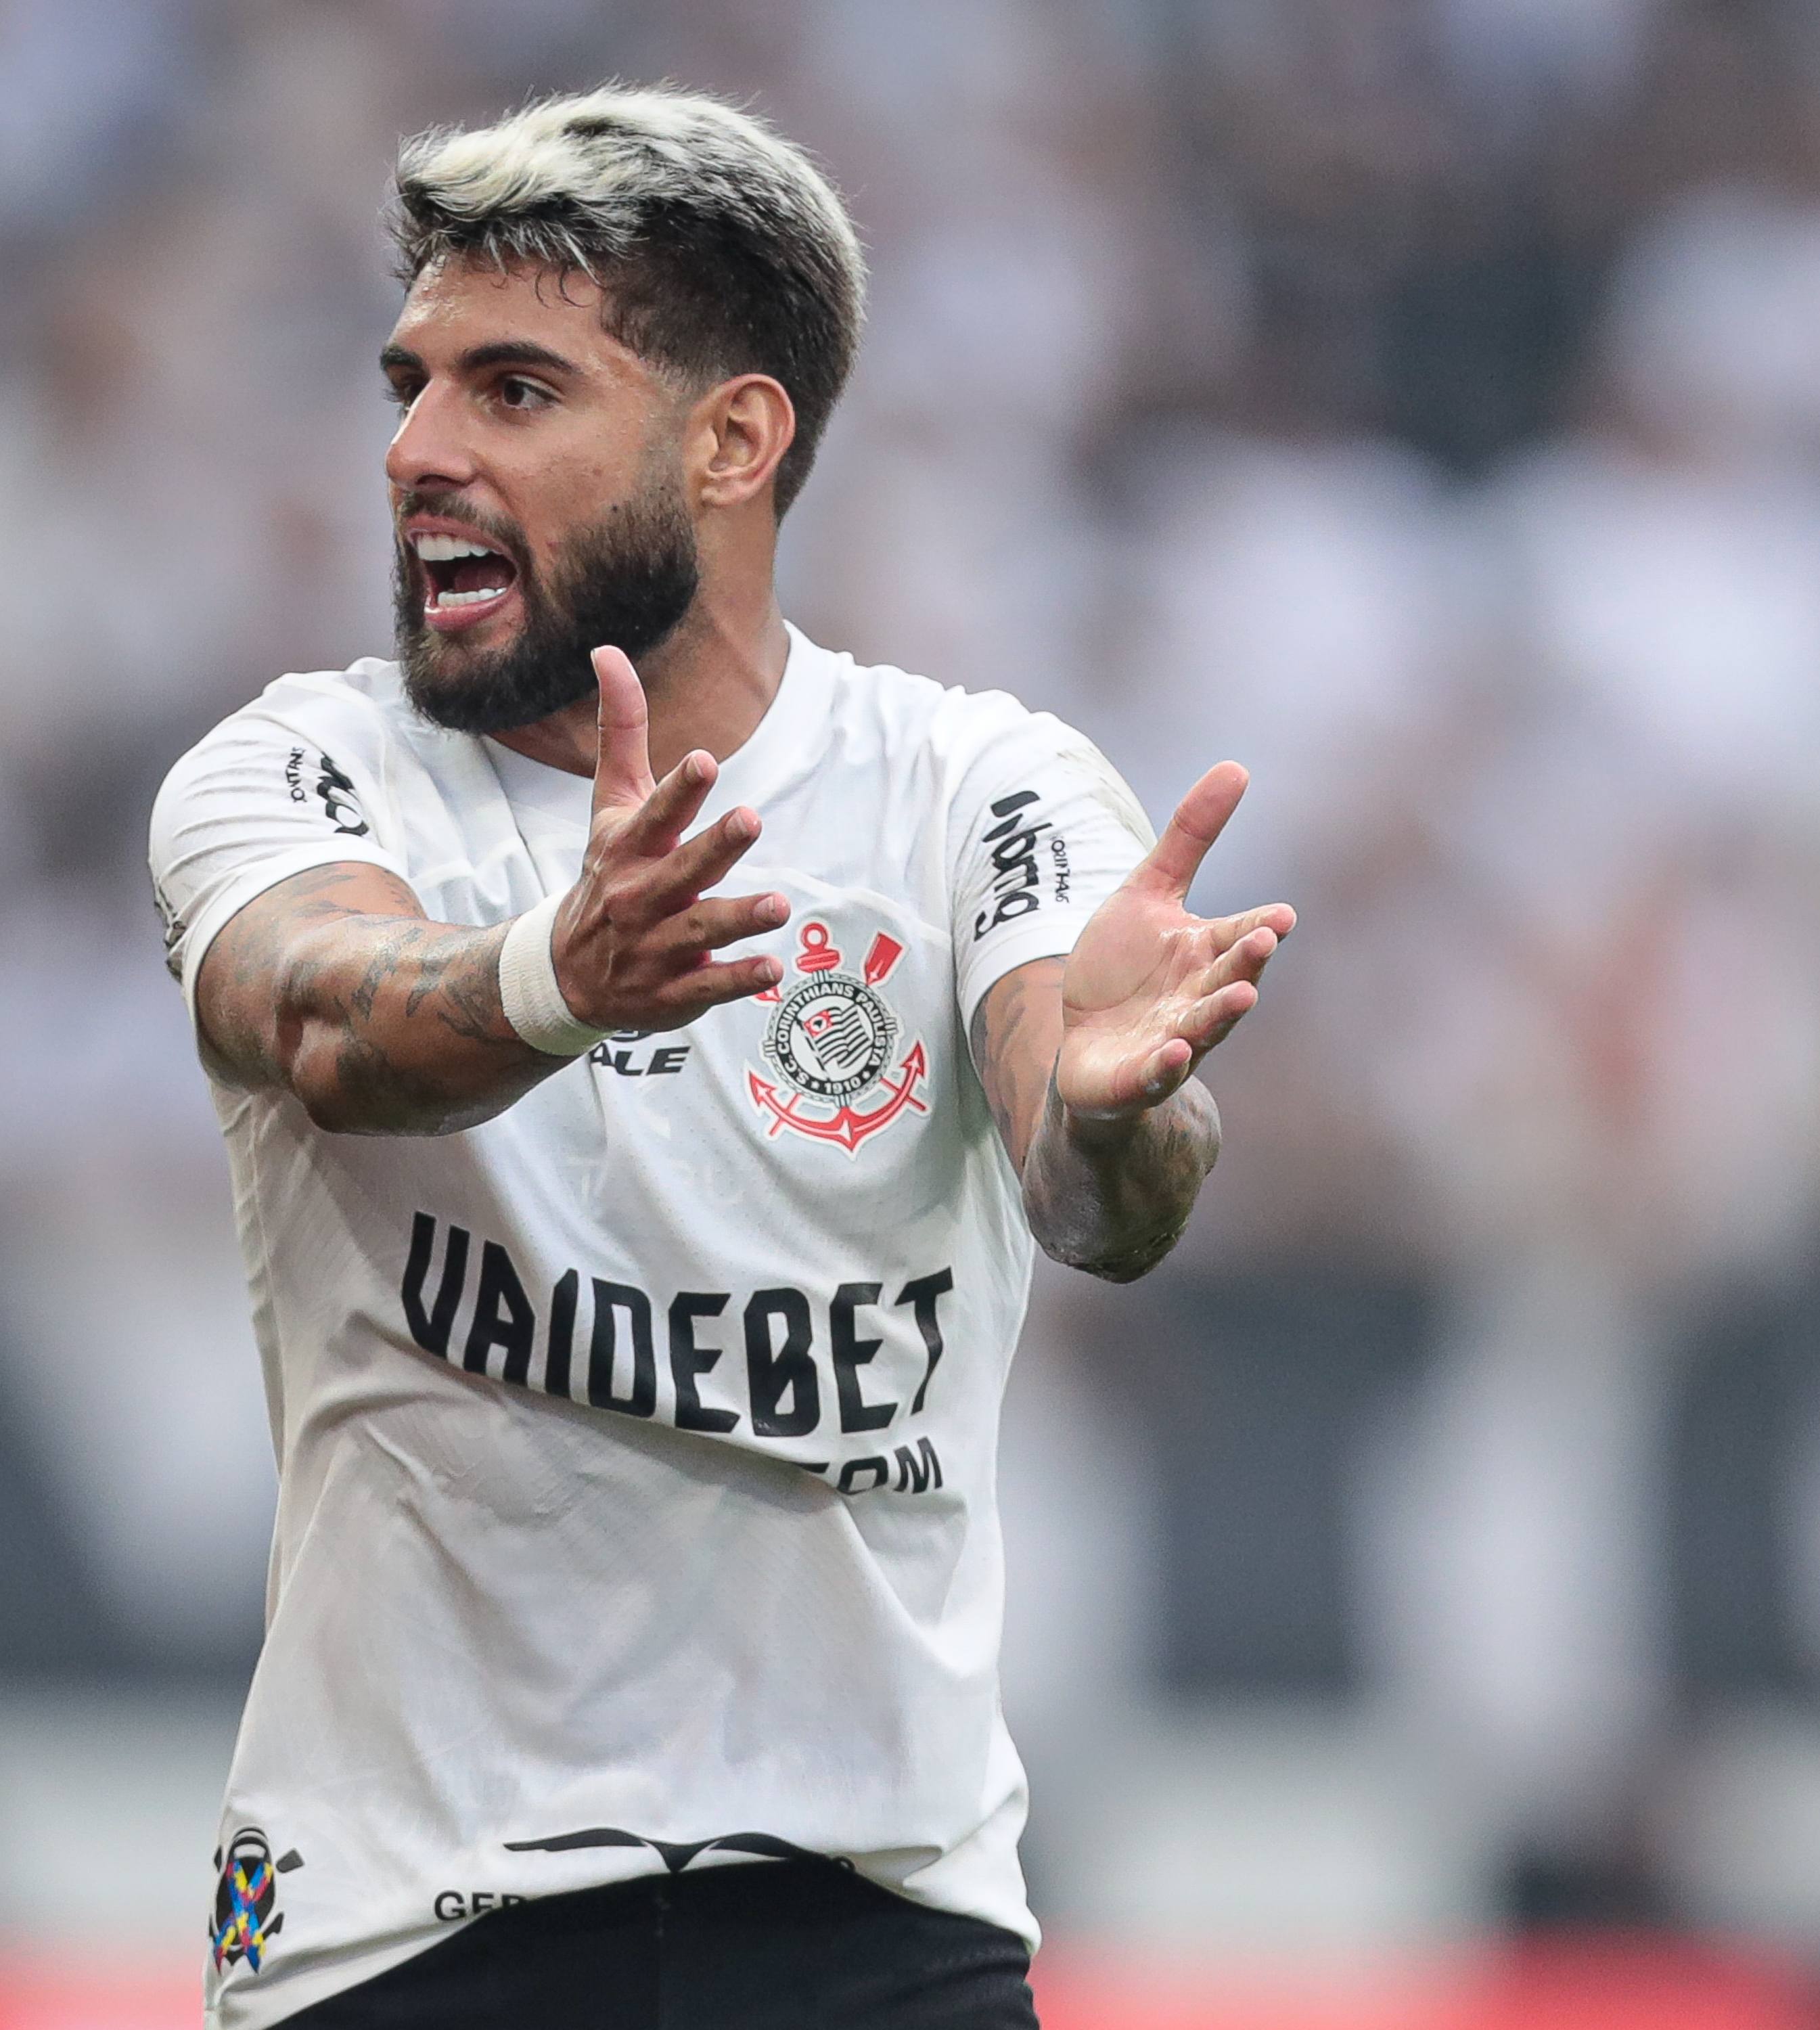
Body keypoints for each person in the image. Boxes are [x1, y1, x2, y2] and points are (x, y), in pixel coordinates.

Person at [149, 85, 1293, 2030]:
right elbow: (327, 1017)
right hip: (408, 1933)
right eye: (409, 387)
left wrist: (1117, 1116)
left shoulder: (972, 790)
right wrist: (555, 975)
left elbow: (1096, 1182)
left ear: (733, 441)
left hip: (877, 1928)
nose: (417, 452)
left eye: (515, 391)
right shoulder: (297, 767)